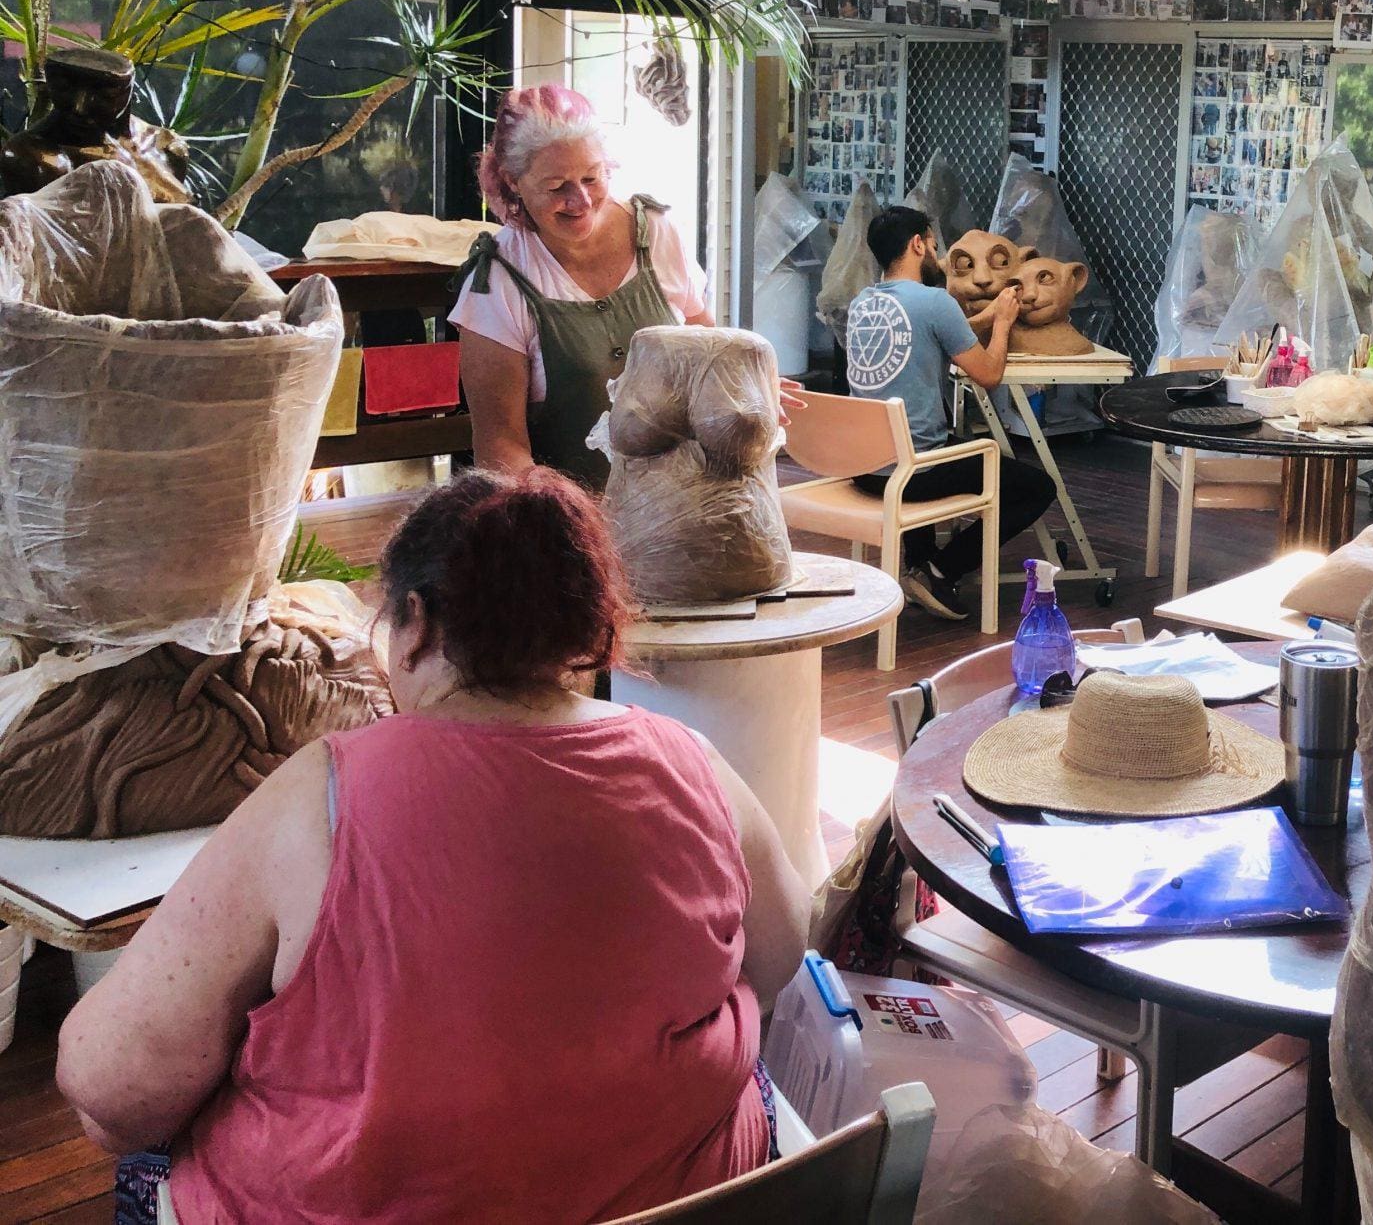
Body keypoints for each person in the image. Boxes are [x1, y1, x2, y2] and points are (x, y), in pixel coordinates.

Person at [57, 470, 809, 1224]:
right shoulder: (692, 762)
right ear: (582, 626)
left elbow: (109, 1088)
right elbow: (779, 955)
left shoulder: (319, 796)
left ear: (415, 622)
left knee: (145, 1143)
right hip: (696, 1194)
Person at [453, 85, 716, 489]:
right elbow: (499, 444)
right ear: (513, 181)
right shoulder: (499, 280)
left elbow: (709, 352)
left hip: (682, 500)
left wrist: (743, 389)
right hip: (569, 525)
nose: (580, 201)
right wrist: (569, 519)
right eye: (557, 187)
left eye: (592, 178)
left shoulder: (657, 234)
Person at [845, 204, 1056, 621]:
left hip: (865, 464)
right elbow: (989, 374)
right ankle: (941, 570)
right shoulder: (935, 301)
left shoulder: (862, 302)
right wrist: (1002, 323)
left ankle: (919, 567)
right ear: (917, 244)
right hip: (912, 472)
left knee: (933, 439)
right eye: (934, 245)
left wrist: (985, 316)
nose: (936, 256)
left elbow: (935, 335)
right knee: (1035, 486)